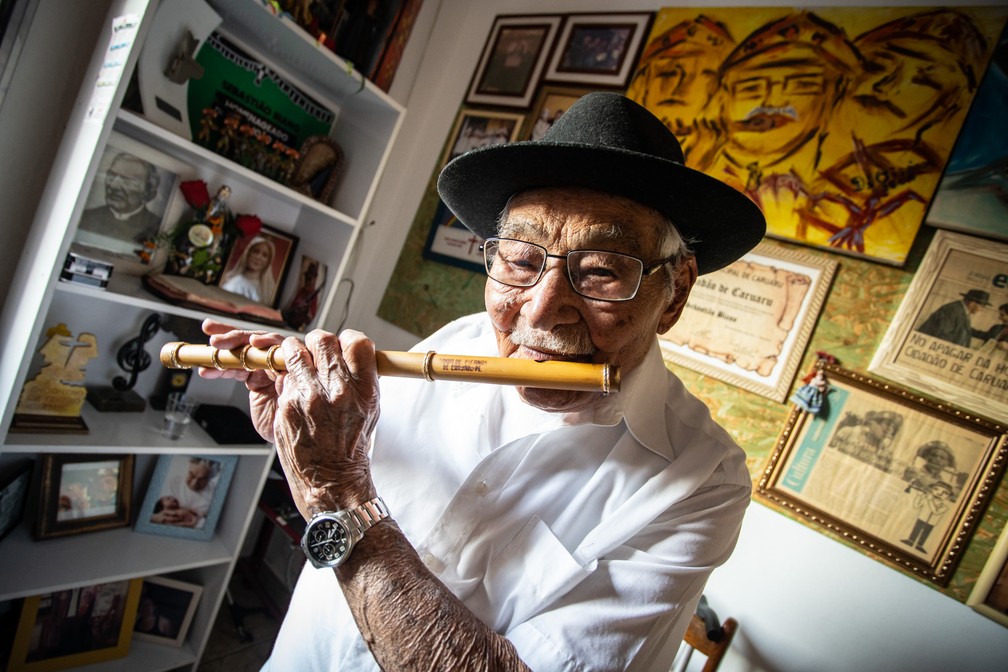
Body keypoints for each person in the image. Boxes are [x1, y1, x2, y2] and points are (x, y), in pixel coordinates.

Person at [200, 92, 766, 670]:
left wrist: (336, 491)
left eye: (599, 271)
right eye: (521, 260)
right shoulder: (459, 340)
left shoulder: (702, 482)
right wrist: (301, 423)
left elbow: (342, 491)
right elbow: (353, 461)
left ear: (675, 291)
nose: (542, 311)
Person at [77, 152, 163, 246]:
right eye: (111, 176)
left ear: (149, 194)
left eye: (128, 181)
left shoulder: (158, 229)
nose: (114, 185)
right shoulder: (85, 217)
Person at [150, 457, 220, 529]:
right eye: (191, 475)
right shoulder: (173, 482)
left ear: (210, 478)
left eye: (202, 479)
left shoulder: (216, 492)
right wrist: (152, 518)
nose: (194, 484)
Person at [915, 288, 990, 347]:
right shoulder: (952, 311)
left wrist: (988, 336)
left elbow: (963, 328)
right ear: (972, 303)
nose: (981, 310)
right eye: (982, 307)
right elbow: (942, 336)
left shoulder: (960, 310)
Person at [219, 236, 277, 304]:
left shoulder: (269, 290)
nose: (258, 257)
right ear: (248, 253)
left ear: (268, 262)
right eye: (255, 251)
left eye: (264, 255)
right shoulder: (230, 280)